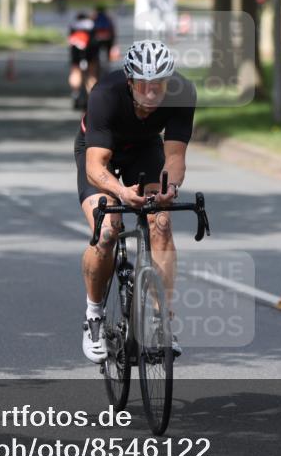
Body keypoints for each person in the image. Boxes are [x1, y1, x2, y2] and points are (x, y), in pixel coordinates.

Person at [74, 40, 196, 363]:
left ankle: (160, 318)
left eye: (159, 85)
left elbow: (175, 157)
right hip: (100, 152)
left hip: (144, 149)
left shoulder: (183, 93)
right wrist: (122, 192)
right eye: (144, 85)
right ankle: (93, 315)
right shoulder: (105, 94)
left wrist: (170, 187)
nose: (152, 93)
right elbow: (95, 167)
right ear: (130, 81)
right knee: (106, 232)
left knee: (161, 222)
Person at [68, 12, 99, 109]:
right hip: (90, 52)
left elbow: (70, 40)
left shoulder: (73, 25)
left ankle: (75, 93)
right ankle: (92, 98)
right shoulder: (92, 24)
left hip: (77, 53)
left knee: (75, 71)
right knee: (91, 75)